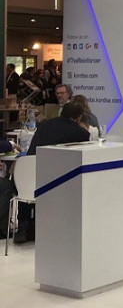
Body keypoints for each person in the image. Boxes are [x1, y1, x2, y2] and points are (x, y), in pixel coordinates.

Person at [15, 101, 90, 244]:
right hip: (54, 181)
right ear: (79, 117)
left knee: (28, 187)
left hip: (25, 177)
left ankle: (23, 228)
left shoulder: (44, 125)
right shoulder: (81, 133)